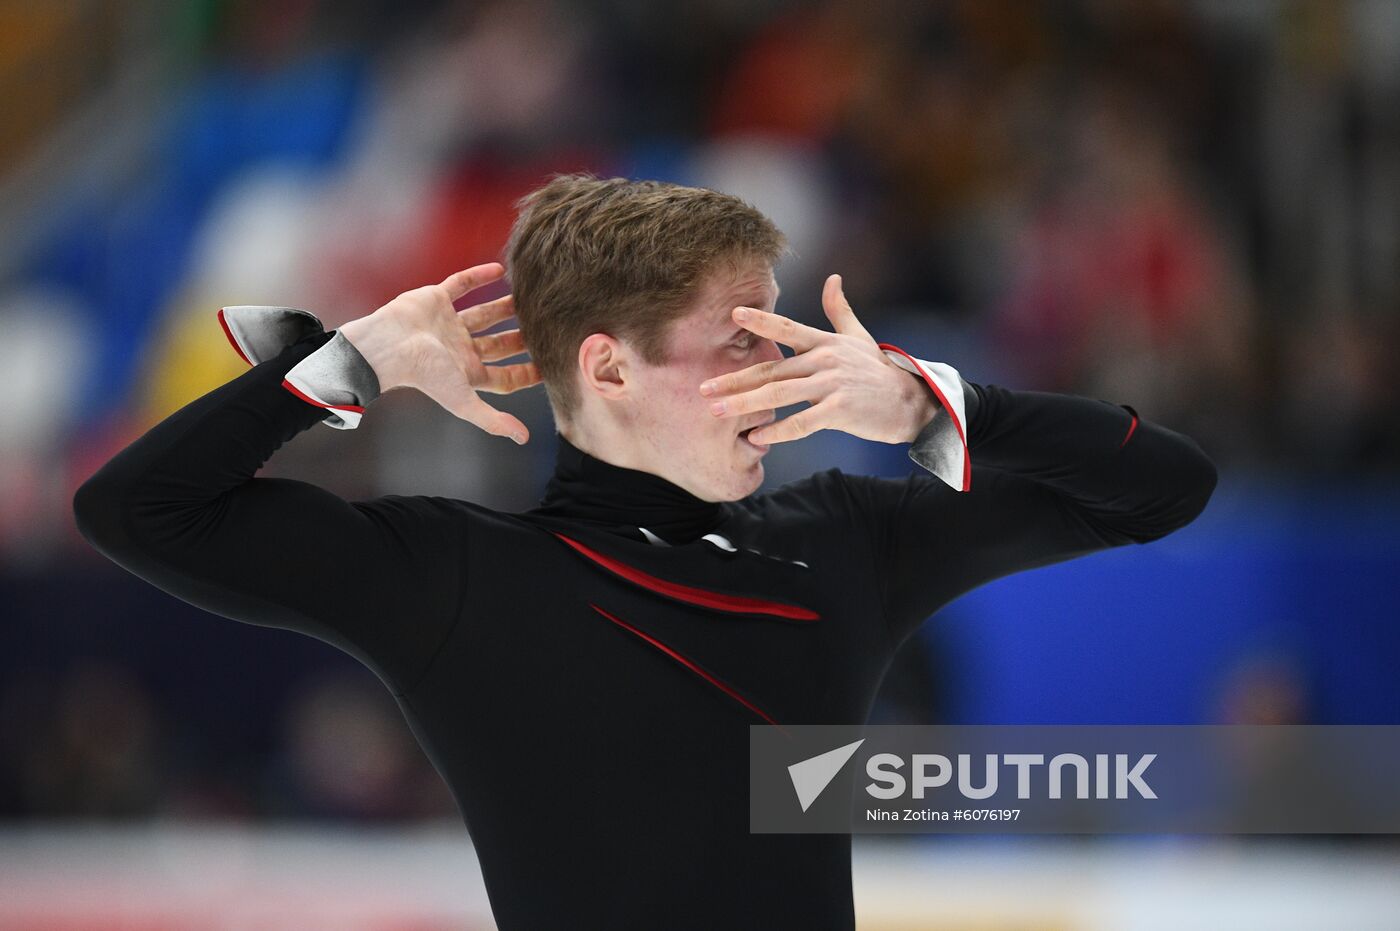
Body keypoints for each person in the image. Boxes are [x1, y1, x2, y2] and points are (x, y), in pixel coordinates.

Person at [73, 174, 1217, 929]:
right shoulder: (456, 576)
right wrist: (352, 362)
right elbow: (136, 510)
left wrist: (930, 407)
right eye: (740, 344)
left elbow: (1162, 487)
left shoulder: (846, 539)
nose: (782, 380)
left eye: (784, 338)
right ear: (610, 368)